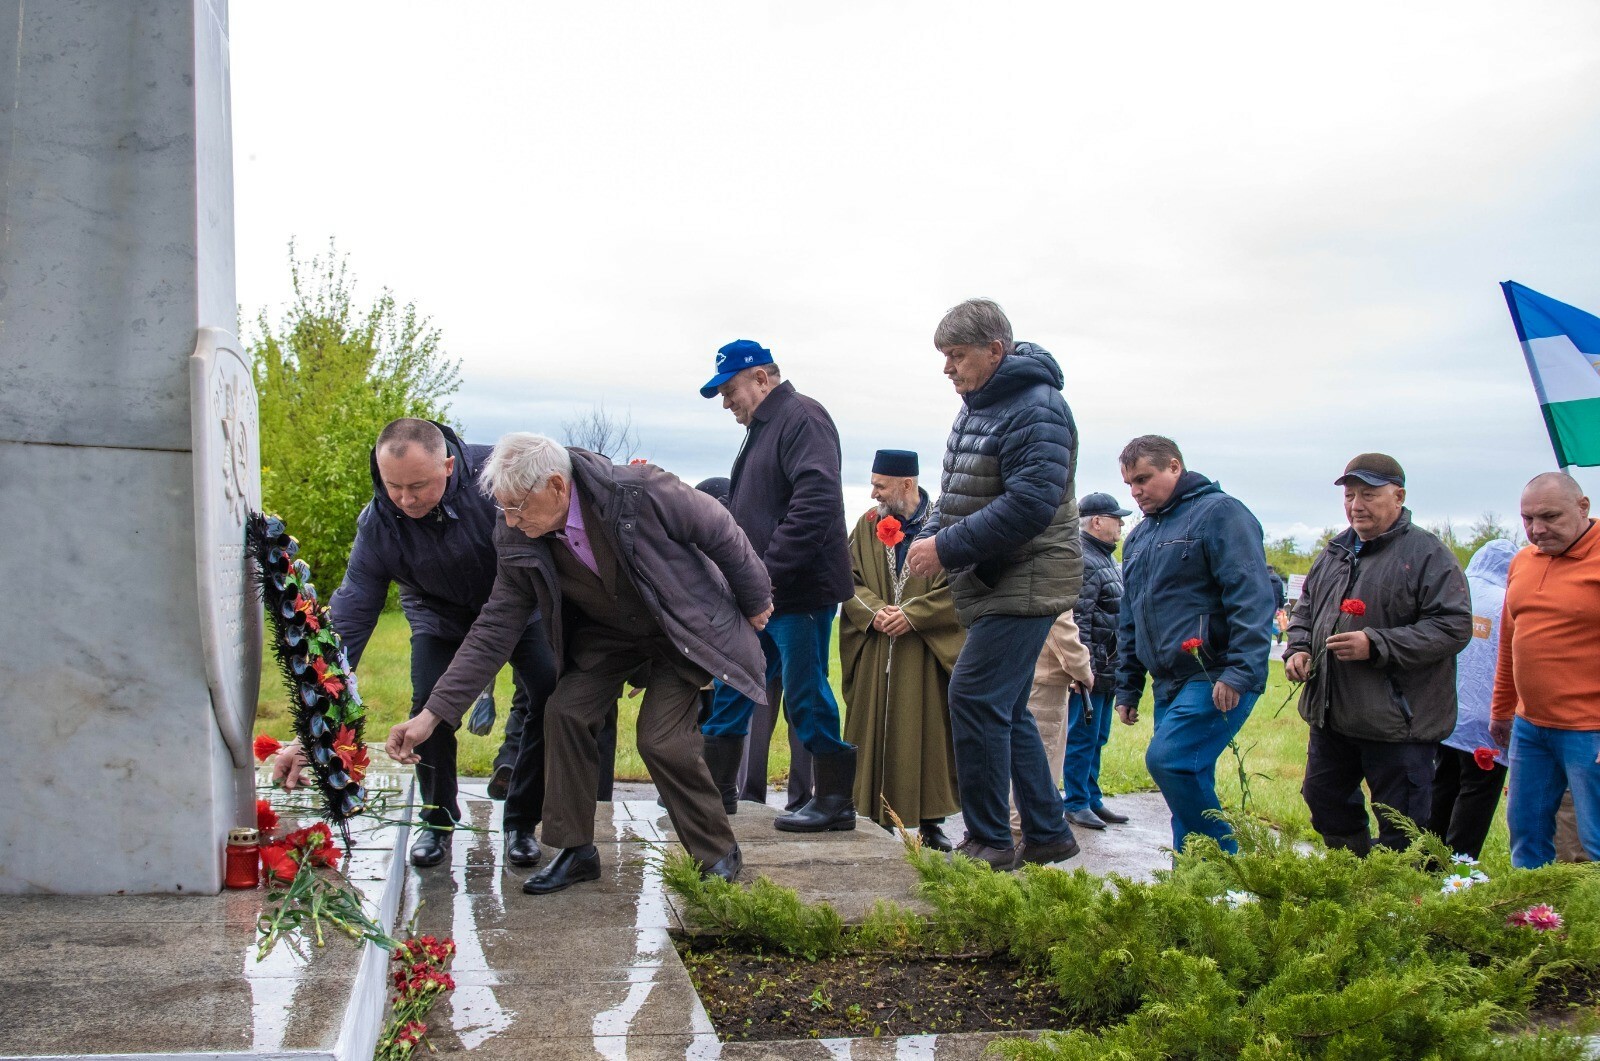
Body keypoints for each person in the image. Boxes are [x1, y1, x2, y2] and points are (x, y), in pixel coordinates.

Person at [386, 435, 771, 894]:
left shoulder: (640, 491)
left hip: (677, 629)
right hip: (608, 636)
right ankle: (576, 851)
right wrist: (434, 714)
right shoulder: (515, 527)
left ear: (556, 485)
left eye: (518, 507)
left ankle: (716, 854)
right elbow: (496, 624)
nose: (510, 520)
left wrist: (756, 601)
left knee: (660, 739)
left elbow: (720, 531)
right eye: (503, 508)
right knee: (564, 711)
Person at [326, 419, 561, 871]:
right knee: (427, 705)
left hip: (518, 608)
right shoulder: (378, 525)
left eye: (418, 485)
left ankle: (520, 820)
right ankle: (436, 819)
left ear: (449, 465)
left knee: (547, 694)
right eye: (393, 486)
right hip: (437, 614)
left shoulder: (498, 478)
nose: (406, 500)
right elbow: (352, 613)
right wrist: (322, 700)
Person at [905, 298, 1081, 870]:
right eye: (945, 357)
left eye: (957, 356)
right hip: (993, 577)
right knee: (1005, 707)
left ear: (994, 351)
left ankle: (988, 842)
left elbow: (1030, 504)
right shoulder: (977, 409)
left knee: (975, 695)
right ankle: (1048, 833)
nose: (948, 369)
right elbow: (957, 494)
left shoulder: (1039, 408)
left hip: (1027, 574)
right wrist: (927, 537)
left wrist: (947, 547)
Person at [699, 340, 857, 832]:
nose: (726, 402)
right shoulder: (763, 428)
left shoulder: (802, 419)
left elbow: (814, 506)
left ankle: (834, 803)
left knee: (806, 693)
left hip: (798, 594)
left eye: (730, 390)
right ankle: (716, 792)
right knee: (734, 685)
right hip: (761, 594)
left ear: (762, 379)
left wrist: (763, 579)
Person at [1286, 453, 1471, 854]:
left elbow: (1453, 628)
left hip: (1398, 722)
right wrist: (1298, 649)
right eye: (1350, 495)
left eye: (1368, 494)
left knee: (1401, 823)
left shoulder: (1428, 555)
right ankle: (1352, 879)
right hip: (1332, 714)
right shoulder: (1335, 552)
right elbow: (1305, 611)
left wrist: (1377, 644)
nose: (1356, 505)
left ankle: (1396, 904)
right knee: (1324, 799)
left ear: (1399, 496)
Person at [1114, 435, 1273, 855]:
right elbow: (1129, 617)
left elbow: (1252, 596)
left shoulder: (1220, 513)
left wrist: (1239, 671)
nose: (1136, 491)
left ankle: (1229, 864)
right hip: (1169, 681)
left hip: (1215, 671)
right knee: (1187, 778)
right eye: (1130, 483)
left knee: (1169, 761)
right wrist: (1128, 686)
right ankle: (1195, 888)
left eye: (1144, 478)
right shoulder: (1140, 536)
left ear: (1174, 467)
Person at [840, 450, 963, 851]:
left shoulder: (947, 526)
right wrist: (875, 613)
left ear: (906, 484)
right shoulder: (867, 524)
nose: (872, 491)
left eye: (880, 484)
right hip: (877, 646)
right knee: (873, 726)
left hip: (925, 649)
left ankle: (931, 821)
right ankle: (875, 816)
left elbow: (962, 587)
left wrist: (914, 616)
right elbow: (848, 579)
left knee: (928, 731)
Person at [1490, 471, 1600, 867]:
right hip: (1531, 728)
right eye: (1527, 519)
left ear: (1583, 507)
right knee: (1526, 834)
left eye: (1550, 517)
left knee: (1595, 840)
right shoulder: (1522, 561)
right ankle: (1532, 922)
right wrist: (1502, 709)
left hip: (1590, 731)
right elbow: (1511, 642)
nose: (1537, 530)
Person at [1428, 538, 1516, 860]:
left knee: (1442, 783)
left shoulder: (1456, 593)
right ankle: (1460, 863)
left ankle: (1428, 857)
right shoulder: (1506, 601)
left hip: (1446, 711)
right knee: (1477, 793)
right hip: (1489, 719)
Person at [1062, 491, 1130, 830]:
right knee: (1082, 736)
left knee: (1098, 735)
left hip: (1106, 666)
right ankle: (1075, 802)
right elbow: (1079, 617)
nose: (1121, 524)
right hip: (1091, 669)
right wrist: (1081, 668)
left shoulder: (1104, 558)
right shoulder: (1086, 559)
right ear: (1098, 521)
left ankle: (1091, 796)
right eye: (1117, 518)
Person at [1008, 607, 1093, 846]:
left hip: (1021, 673)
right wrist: (1083, 671)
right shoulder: (1052, 572)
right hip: (1043, 681)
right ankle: (1019, 844)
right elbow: (1060, 624)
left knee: (1020, 762)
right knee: (1036, 764)